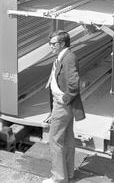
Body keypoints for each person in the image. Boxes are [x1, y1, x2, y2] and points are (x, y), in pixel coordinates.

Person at [43, 30, 85, 183]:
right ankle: (68, 174)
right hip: (63, 105)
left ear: (62, 44)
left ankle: (58, 178)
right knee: (67, 140)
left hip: (62, 105)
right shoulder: (64, 56)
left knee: (54, 140)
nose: (51, 46)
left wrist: (64, 99)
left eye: (53, 44)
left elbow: (74, 84)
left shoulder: (68, 59)